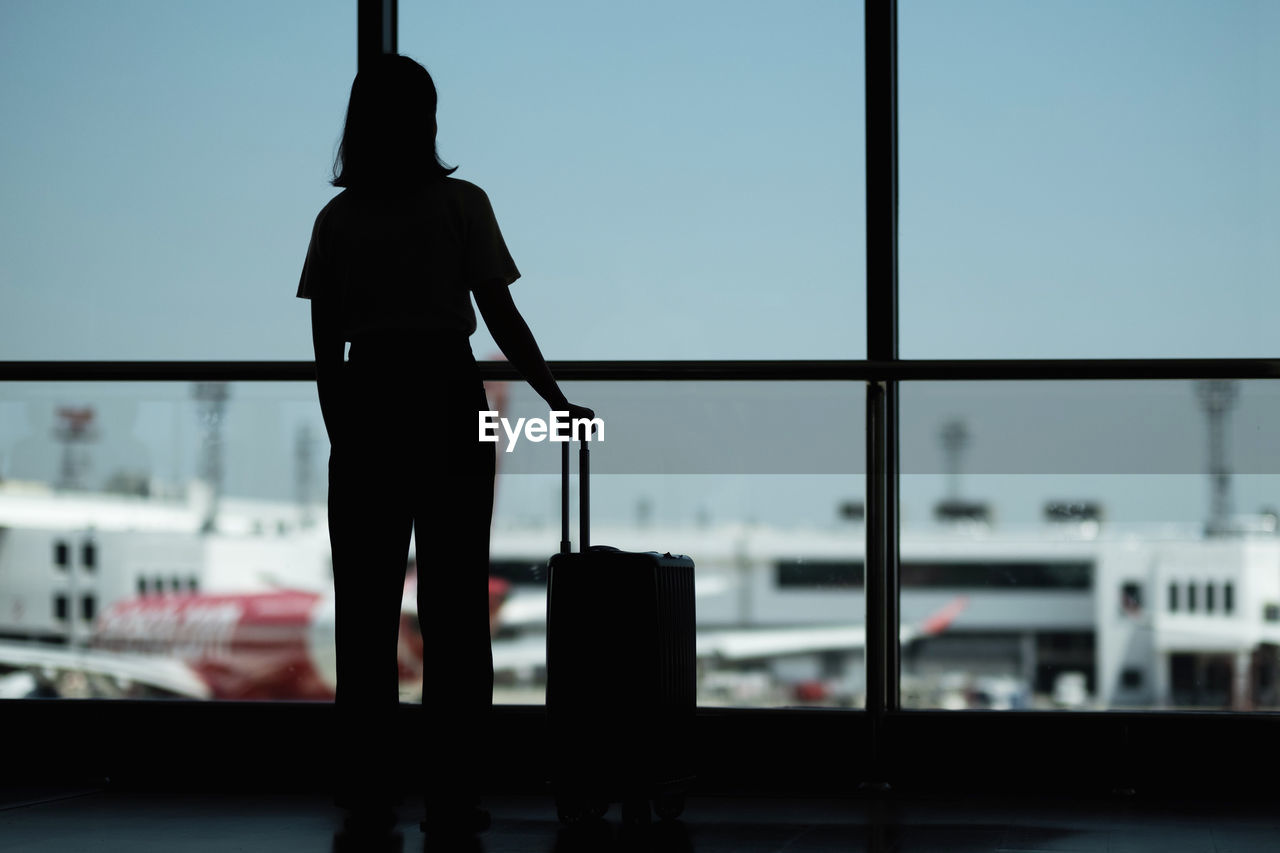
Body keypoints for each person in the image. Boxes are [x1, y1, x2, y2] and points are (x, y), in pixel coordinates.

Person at [297, 53, 593, 835]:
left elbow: (327, 346)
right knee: (456, 608)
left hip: (369, 402)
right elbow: (501, 317)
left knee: (366, 610)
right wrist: (555, 397)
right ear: (426, 119)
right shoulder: (462, 204)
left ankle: (366, 783)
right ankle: (454, 786)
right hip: (448, 397)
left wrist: (344, 429)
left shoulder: (338, 220)